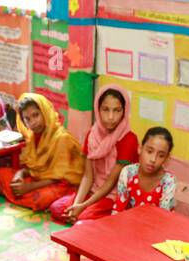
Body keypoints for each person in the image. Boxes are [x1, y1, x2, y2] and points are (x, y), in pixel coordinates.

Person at [51, 86, 137, 223]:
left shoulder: (128, 139)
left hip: (113, 196)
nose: (110, 117)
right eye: (105, 109)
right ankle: (84, 217)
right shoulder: (92, 135)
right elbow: (88, 176)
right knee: (57, 208)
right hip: (94, 192)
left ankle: (90, 219)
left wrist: (83, 206)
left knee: (82, 219)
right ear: (98, 109)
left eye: (117, 110)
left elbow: (111, 182)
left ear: (124, 111)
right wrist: (76, 205)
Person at [0, 94, 84, 211]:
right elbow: (33, 168)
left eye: (36, 115)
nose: (32, 123)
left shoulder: (62, 138)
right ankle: (12, 192)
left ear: (45, 112)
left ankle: (7, 192)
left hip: (63, 185)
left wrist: (29, 187)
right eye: (27, 119)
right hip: (40, 181)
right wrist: (19, 174)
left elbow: (61, 177)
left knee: (40, 199)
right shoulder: (33, 137)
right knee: (0, 173)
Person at [106, 126, 176, 216]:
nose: (153, 159)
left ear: (167, 158)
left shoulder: (168, 181)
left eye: (161, 155)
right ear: (140, 149)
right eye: (149, 151)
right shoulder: (128, 173)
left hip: (156, 227)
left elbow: (163, 218)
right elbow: (118, 209)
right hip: (130, 225)